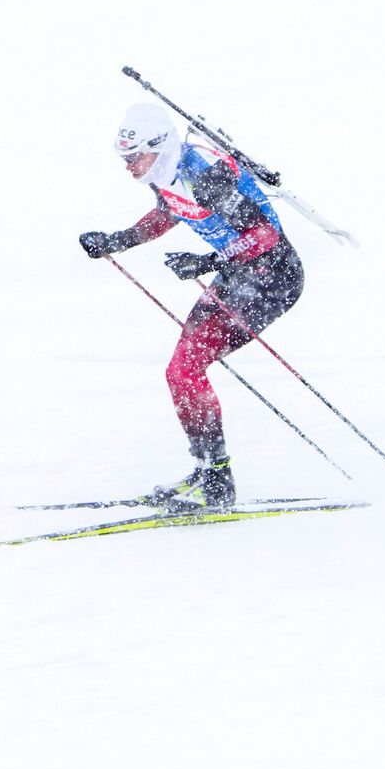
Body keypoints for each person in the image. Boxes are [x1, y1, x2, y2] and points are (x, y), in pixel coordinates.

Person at [78, 103, 304, 508]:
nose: (128, 166)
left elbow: (266, 236)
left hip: (272, 279)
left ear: (159, 147)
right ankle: (209, 472)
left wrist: (208, 262)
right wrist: (117, 241)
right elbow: (170, 211)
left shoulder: (205, 176)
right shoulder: (165, 174)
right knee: (180, 371)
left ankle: (217, 483)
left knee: (185, 369)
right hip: (240, 275)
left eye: (134, 157)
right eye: (124, 158)